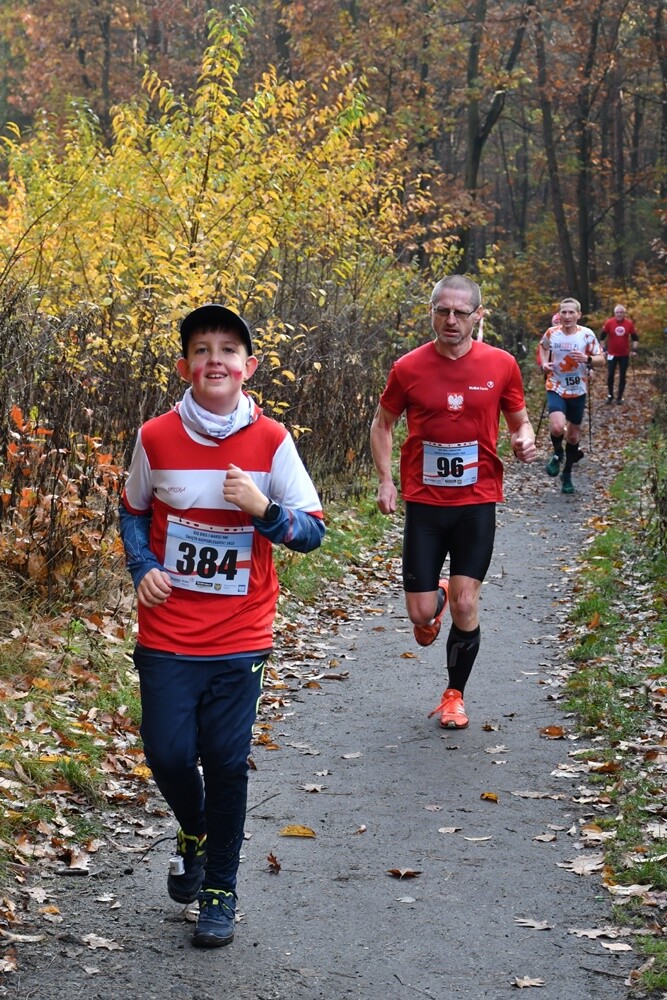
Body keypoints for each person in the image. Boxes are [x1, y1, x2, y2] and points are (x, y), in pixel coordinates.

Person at [118, 304, 325, 948]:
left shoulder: (272, 441)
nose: (216, 359)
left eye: (229, 349)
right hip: (168, 632)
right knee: (169, 754)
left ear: (248, 367)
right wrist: (143, 565)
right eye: (203, 349)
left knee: (228, 761)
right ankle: (194, 828)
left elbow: (312, 531)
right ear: (185, 366)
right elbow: (131, 511)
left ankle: (219, 891)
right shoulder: (155, 436)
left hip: (241, 632)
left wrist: (264, 510)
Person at [370, 274, 537, 731]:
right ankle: (435, 597)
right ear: (431, 312)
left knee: (467, 602)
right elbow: (382, 424)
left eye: (460, 312)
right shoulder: (407, 368)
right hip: (424, 505)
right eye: (441, 310)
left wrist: (524, 440)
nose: (450, 319)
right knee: (423, 616)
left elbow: (520, 421)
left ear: (477, 315)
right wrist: (386, 480)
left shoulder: (501, 365)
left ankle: (453, 695)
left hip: (477, 501)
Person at [538, 297, 604, 494]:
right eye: (563, 312)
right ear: (559, 315)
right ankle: (558, 453)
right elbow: (543, 346)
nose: (567, 316)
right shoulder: (552, 332)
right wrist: (544, 364)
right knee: (557, 427)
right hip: (556, 386)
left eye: (571, 312)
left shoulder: (587, 335)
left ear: (578, 315)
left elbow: (601, 359)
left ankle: (567, 474)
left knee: (573, 436)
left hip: (578, 390)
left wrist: (588, 359)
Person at [599, 303, 638, 405]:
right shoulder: (609, 323)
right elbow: (602, 337)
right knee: (610, 375)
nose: (619, 314)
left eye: (621, 312)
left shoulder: (629, 324)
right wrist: (604, 349)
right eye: (617, 312)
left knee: (622, 376)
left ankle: (619, 397)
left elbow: (635, 338)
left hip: (624, 354)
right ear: (614, 313)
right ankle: (610, 396)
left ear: (624, 313)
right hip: (612, 354)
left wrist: (634, 350)